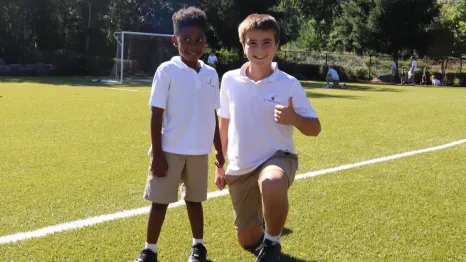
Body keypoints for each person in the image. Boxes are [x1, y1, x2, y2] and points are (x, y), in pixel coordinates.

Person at [216, 14, 321, 262]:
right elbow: (224, 123)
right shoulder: (230, 80)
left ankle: (272, 243)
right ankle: (266, 221)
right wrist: (220, 165)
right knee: (248, 240)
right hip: (241, 166)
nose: (259, 49)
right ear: (243, 46)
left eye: (266, 42)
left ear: (276, 45)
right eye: (252, 42)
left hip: (278, 158)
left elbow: (315, 128)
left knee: (272, 183)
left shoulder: (289, 84)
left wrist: (294, 118)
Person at [134, 7, 224, 262]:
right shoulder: (166, 71)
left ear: (205, 41)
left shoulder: (210, 74)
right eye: (186, 40)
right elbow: (156, 114)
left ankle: (198, 247)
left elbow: (213, 115)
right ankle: (149, 250)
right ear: (175, 40)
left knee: (195, 202)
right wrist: (158, 155)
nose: (192, 45)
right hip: (170, 150)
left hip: (199, 152)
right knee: (160, 202)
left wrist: (219, 149)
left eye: (198, 40)